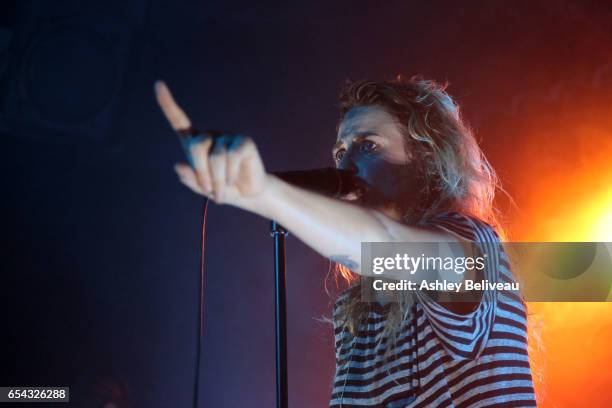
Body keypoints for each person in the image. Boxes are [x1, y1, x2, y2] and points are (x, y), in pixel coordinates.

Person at [155, 76, 536, 407]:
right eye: (341, 151)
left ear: (424, 156)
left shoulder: (474, 247)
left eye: (368, 145)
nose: (345, 164)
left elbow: (383, 245)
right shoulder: (355, 309)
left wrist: (264, 194)